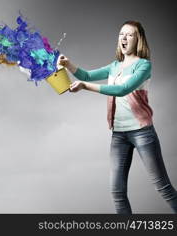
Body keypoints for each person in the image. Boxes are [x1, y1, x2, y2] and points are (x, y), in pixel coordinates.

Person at [58, 20, 177, 214]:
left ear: (138, 40)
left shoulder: (144, 65)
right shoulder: (115, 66)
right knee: (117, 193)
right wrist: (68, 64)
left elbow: (123, 89)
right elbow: (86, 75)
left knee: (164, 189)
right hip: (119, 135)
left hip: (142, 133)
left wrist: (85, 87)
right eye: (121, 34)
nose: (124, 38)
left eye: (130, 34)